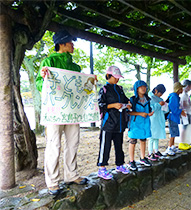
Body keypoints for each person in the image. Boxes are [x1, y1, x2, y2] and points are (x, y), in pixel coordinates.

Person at [36, 30, 90, 195]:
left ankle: (71, 175)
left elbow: (82, 89)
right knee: (54, 145)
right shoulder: (49, 61)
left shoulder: (76, 67)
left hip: (73, 111)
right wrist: (44, 78)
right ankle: (52, 181)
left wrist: (89, 85)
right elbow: (40, 84)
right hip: (55, 112)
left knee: (73, 143)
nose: (73, 45)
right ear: (62, 43)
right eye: (70, 42)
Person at [97, 66, 130, 179]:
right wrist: (113, 105)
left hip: (119, 123)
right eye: (115, 77)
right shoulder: (104, 89)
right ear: (109, 76)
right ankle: (102, 168)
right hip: (108, 123)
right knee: (105, 145)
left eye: (118, 77)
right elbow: (100, 105)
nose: (117, 79)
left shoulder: (120, 89)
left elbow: (126, 100)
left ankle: (120, 165)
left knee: (119, 145)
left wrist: (128, 104)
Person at [128, 80, 154, 171]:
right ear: (136, 88)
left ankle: (143, 158)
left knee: (143, 139)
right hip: (135, 123)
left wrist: (149, 113)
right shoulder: (133, 99)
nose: (143, 88)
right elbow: (129, 112)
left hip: (145, 123)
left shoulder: (148, 99)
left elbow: (148, 110)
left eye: (145, 87)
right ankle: (131, 161)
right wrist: (140, 113)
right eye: (141, 87)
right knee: (133, 141)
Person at [165, 82, 187, 156]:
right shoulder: (174, 97)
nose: (182, 90)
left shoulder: (175, 96)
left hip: (174, 117)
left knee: (174, 132)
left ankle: (172, 146)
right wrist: (180, 111)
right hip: (172, 117)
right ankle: (169, 147)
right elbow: (173, 108)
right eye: (181, 88)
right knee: (173, 133)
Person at [147, 84, 167, 161]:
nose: (161, 95)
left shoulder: (160, 99)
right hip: (153, 119)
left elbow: (163, 110)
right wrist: (158, 104)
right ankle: (150, 153)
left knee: (157, 137)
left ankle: (156, 151)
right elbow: (150, 108)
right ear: (156, 91)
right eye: (160, 93)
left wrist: (164, 106)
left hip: (159, 119)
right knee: (152, 137)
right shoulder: (150, 98)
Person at [177, 80, 191, 150]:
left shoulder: (186, 94)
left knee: (186, 128)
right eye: (190, 86)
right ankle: (182, 142)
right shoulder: (184, 94)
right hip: (185, 114)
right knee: (184, 128)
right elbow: (184, 105)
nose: (190, 88)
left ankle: (185, 142)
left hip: (187, 113)